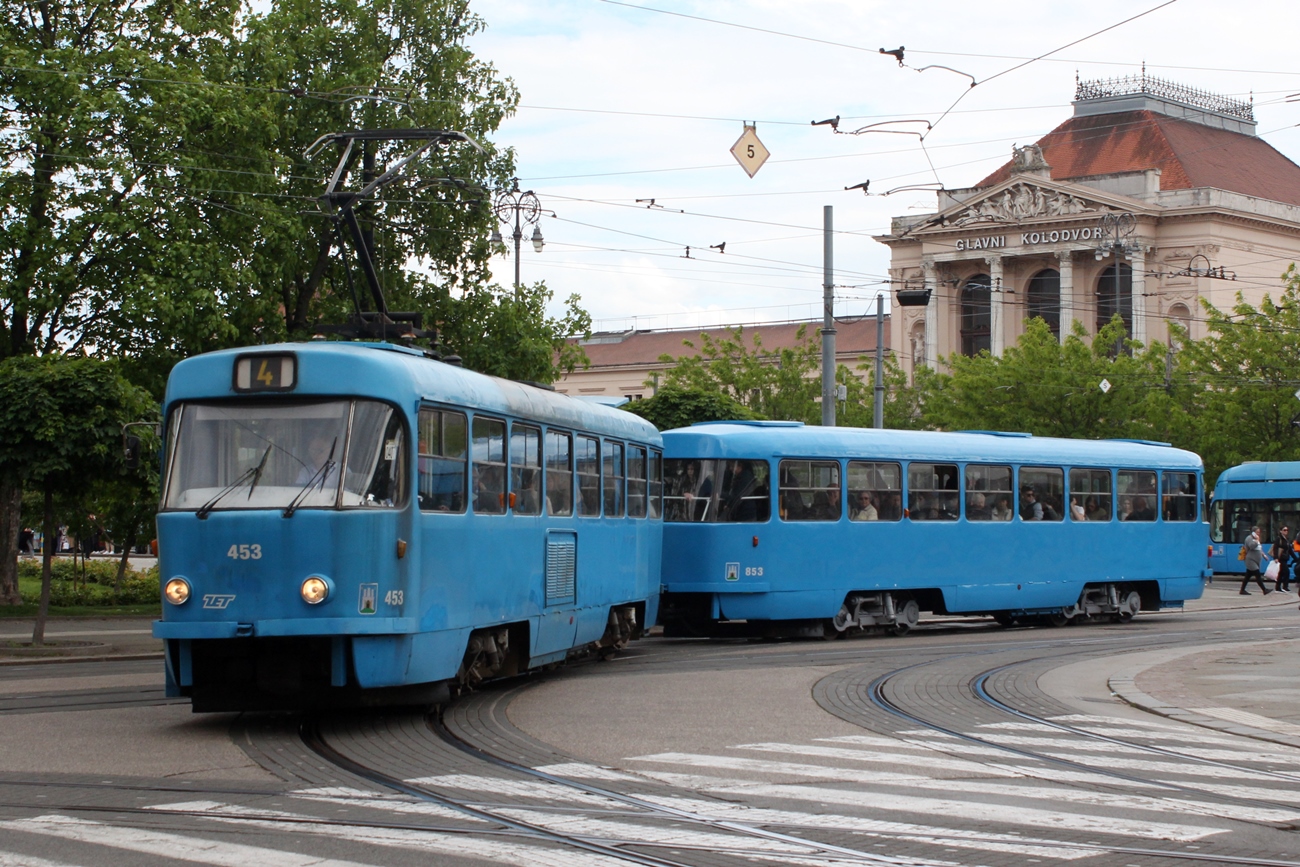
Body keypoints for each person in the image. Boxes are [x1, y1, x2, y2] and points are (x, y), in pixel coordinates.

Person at [1240, 526, 1270, 595]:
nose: (1258, 534)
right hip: (1250, 560)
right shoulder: (1249, 538)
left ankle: (1242, 590)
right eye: (1257, 532)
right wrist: (1256, 540)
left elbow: (1259, 548)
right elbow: (1252, 546)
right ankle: (1264, 590)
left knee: (1247, 576)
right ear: (1253, 532)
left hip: (1256, 560)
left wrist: (1264, 555)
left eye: (1259, 532)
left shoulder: (1256, 539)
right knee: (1257, 574)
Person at [1274, 525, 1293, 592]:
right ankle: (1285, 587)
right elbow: (1275, 548)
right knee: (1287, 572)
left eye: (1287, 530)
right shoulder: (1279, 539)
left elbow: (1290, 550)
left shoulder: (1287, 539)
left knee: (1281, 573)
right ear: (1281, 531)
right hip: (1281, 558)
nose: (1286, 531)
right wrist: (1276, 557)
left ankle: (1278, 587)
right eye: (1284, 530)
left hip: (1285, 558)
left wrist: (1296, 558)